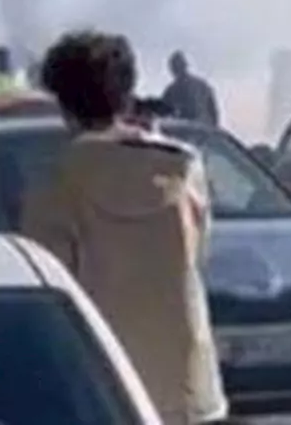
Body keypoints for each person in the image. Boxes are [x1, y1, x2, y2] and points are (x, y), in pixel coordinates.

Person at [21, 31, 226, 424]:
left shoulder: (55, 183)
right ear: (127, 93)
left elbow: (46, 297)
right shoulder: (183, 168)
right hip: (188, 388)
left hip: (100, 388)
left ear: (63, 105)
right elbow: (198, 259)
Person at [162, 52, 220, 127]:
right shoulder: (170, 92)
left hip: (200, 131)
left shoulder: (202, 87)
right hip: (183, 132)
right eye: (176, 67)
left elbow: (213, 114)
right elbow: (162, 115)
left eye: (179, 67)